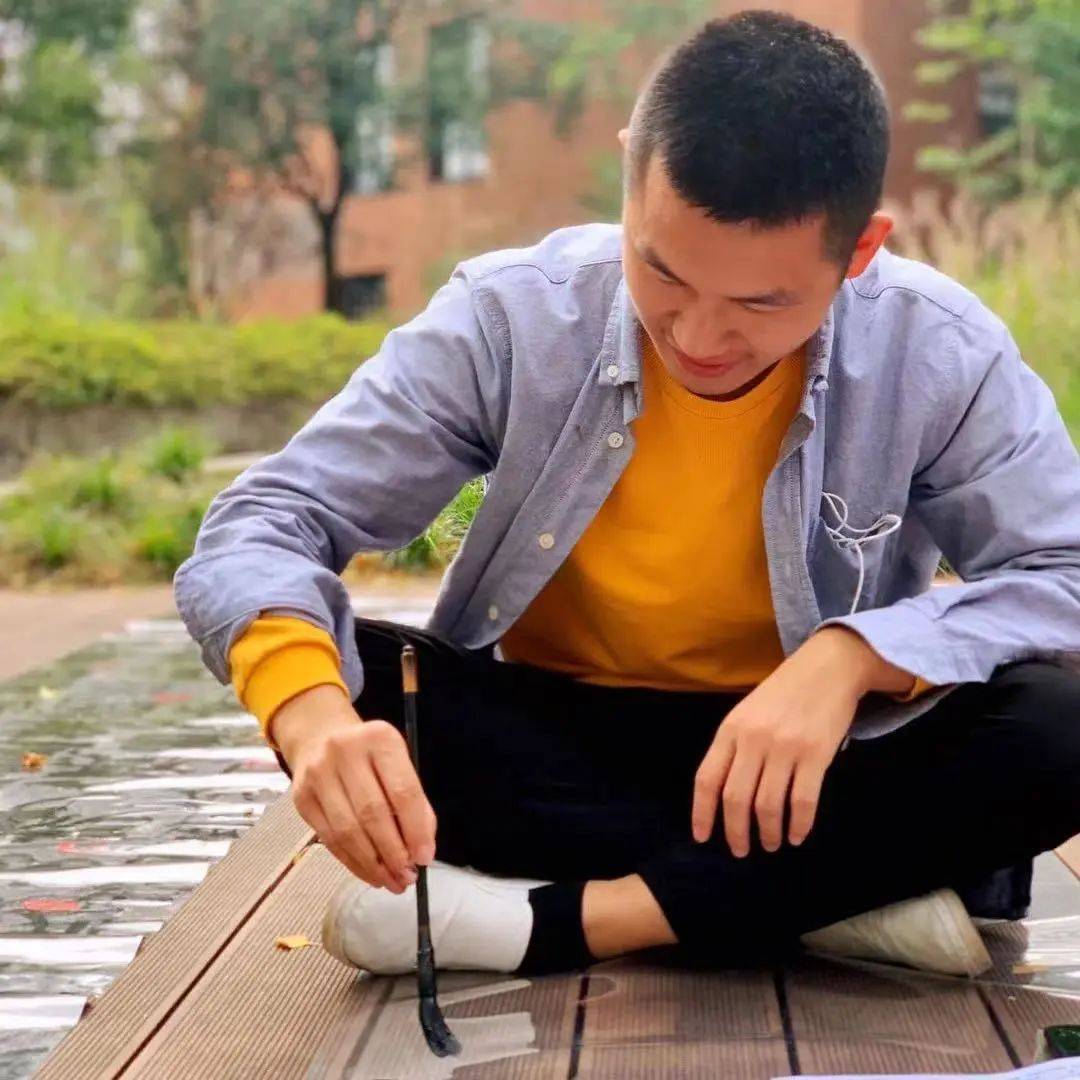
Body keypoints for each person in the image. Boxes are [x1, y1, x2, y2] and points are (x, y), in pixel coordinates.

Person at [174, 10, 1080, 979]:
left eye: (761, 303)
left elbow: (1062, 572)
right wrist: (314, 721)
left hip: (821, 763)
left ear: (858, 251)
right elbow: (262, 525)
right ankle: (826, 895)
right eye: (662, 270)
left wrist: (852, 657)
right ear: (628, 174)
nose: (697, 336)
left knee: (1063, 720)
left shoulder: (934, 347)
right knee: (343, 675)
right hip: (558, 748)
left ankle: (567, 921)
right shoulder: (512, 319)